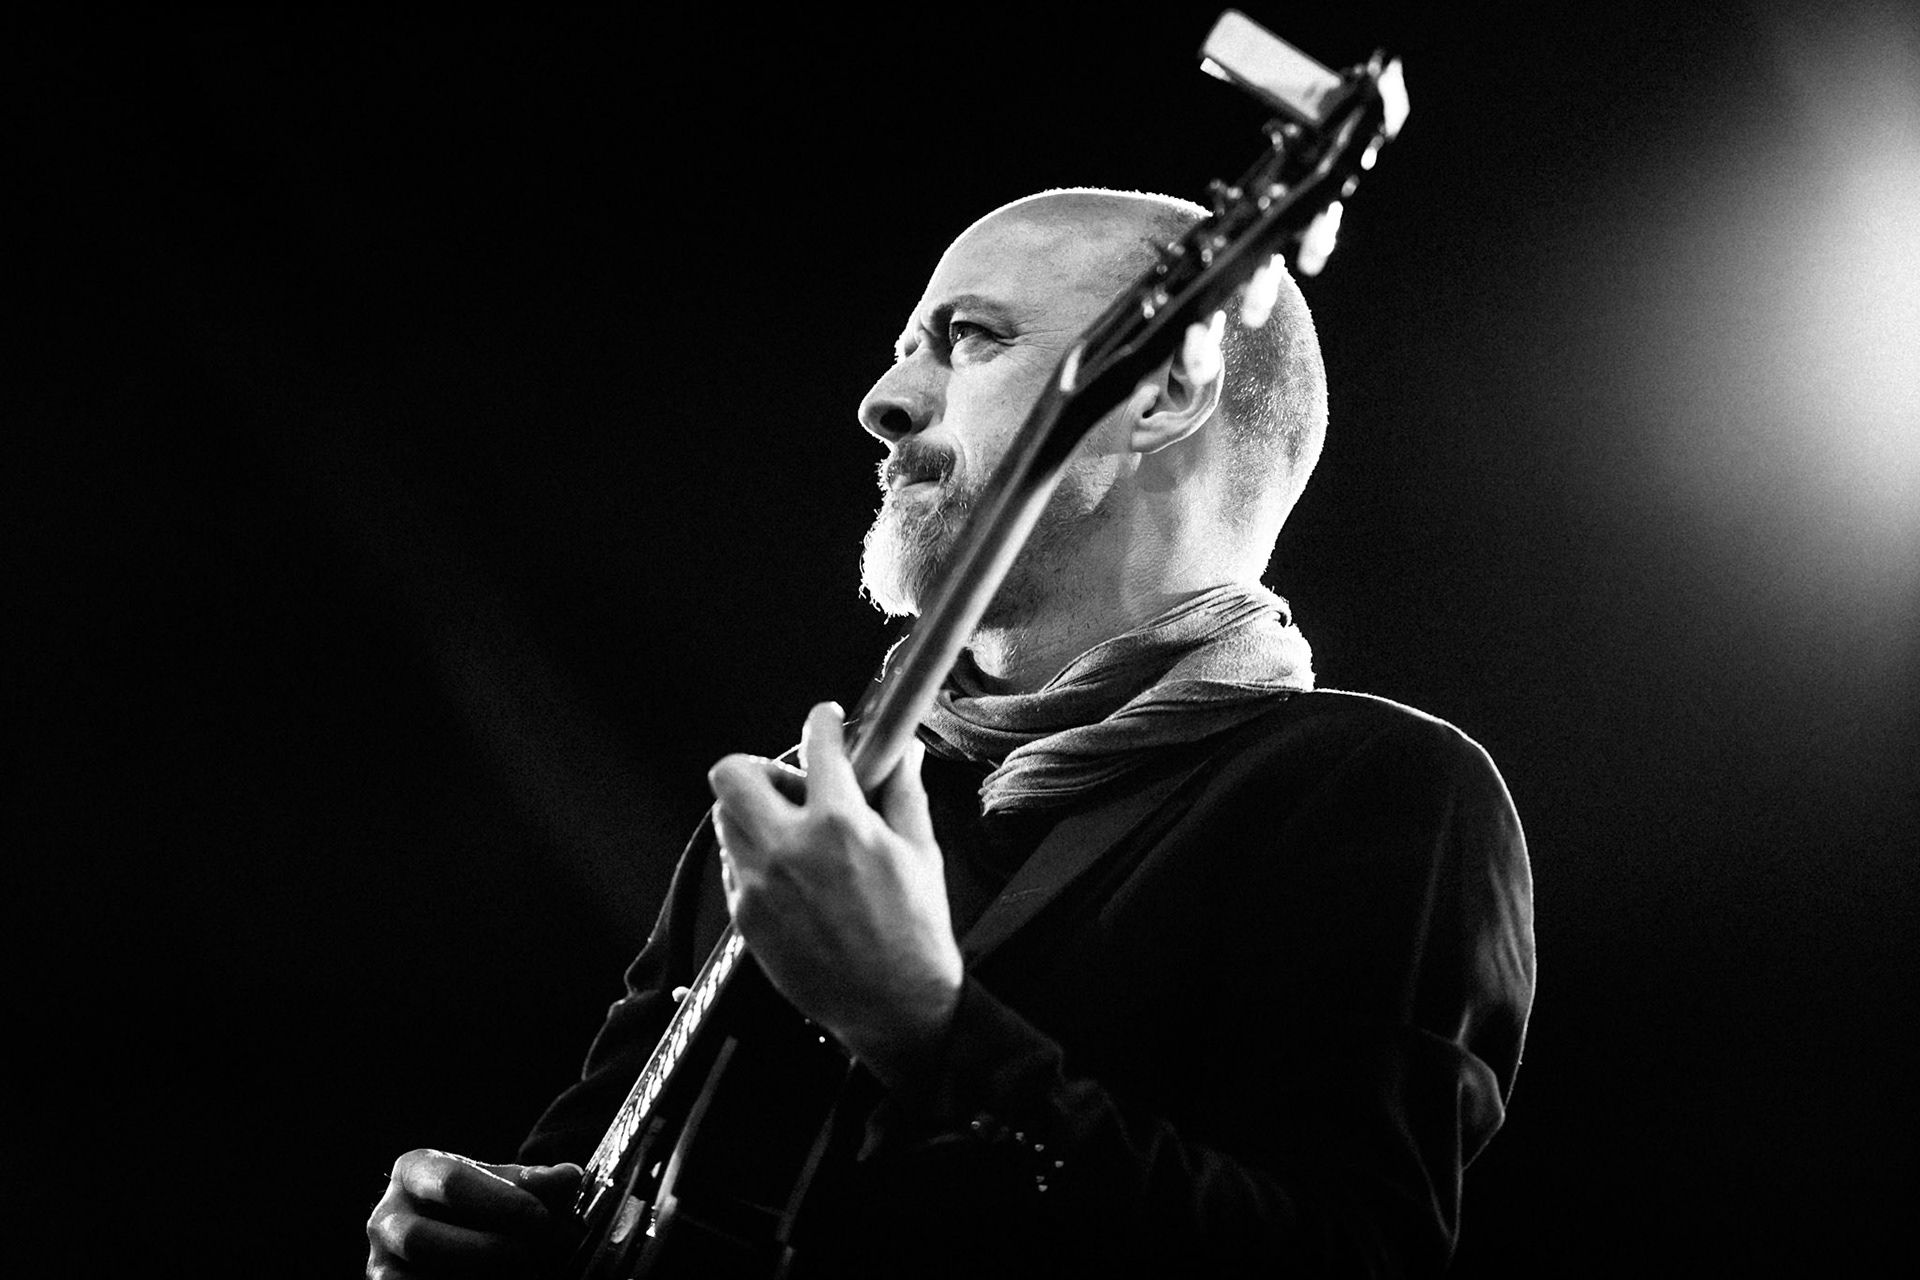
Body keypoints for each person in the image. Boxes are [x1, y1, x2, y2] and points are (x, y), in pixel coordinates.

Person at [367, 188, 1536, 1277]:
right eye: (903, 347)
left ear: (1165, 392)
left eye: (966, 337)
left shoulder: (1375, 791)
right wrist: (478, 1223)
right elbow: (593, 1175)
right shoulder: (803, 810)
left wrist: (928, 1027)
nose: (882, 400)